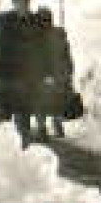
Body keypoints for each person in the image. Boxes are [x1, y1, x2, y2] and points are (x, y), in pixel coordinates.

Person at [0, 0, 40, 147]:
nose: (23, 4)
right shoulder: (2, 21)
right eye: (19, 1)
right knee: (1, 135)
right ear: (14, 2)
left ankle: (24, 154)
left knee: (24, 132)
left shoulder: (35, 22)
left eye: (26, 1)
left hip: (25, 86)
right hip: (4, 85)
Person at [32, 8, 74, 139]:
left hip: (46, 77)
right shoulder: (59, 34)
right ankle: (57, 126)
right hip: (60, 76)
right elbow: (67, 56)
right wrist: (68, 74)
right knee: (56, 102)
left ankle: (42, 129)